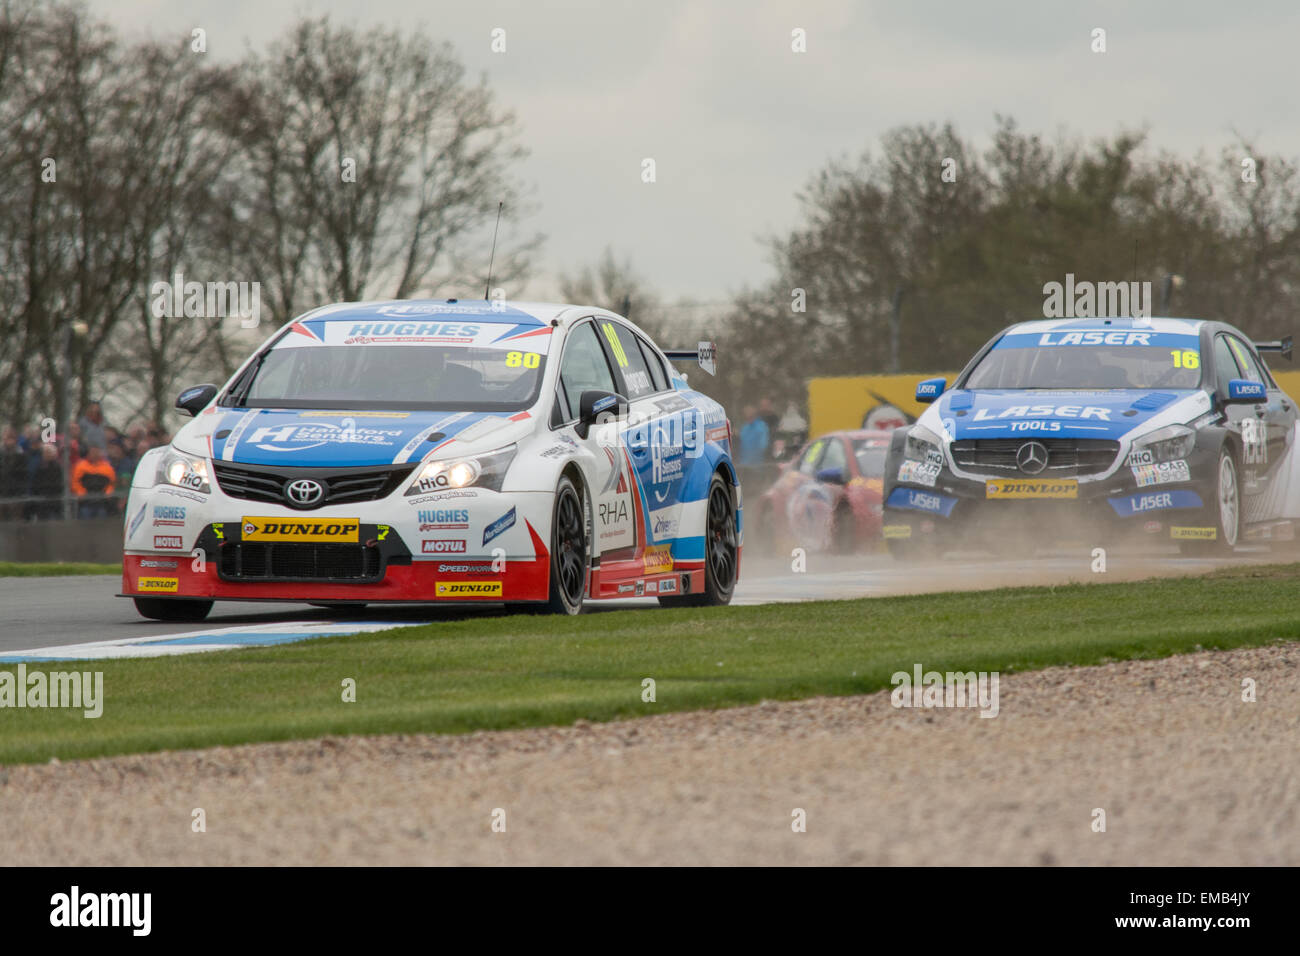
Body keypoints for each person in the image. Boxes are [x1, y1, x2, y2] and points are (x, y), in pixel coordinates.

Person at [71, 444, 116, 518]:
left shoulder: (107, 467)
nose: (95, 454)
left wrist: (107, 493)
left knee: (102, 514)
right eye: (93, 452)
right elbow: (75, 482)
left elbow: (111, 483)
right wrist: (82, 493)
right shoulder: (81, 466)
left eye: (97, 452)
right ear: (88, 453)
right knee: (85, 513)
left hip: (102, 500)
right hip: (86, 500)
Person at [27, 442, 65, 521]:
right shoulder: (39, 467)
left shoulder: (57, 467)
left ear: (53, 454)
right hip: (42, 498)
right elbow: (35, 483)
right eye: (44, 452)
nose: (46, 454)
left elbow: (60, 484)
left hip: (55, 498)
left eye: (48, 452)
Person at [0, 426, 27, 520]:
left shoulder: (20, 454)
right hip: (2, 491)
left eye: (11, 438)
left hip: (16, 492)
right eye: (6, 437)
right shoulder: (1, 453)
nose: (8, 441)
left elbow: (23, 475)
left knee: (15, 518)